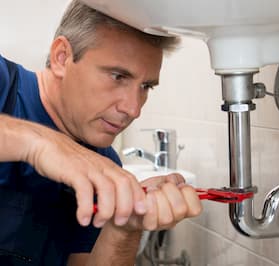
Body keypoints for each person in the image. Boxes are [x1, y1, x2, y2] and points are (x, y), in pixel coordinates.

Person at [0, 0, 202, 265]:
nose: (133, 108)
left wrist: (126, 226)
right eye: (118, 76)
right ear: (62, 57)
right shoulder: (5, 84)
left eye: (146, 86)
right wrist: (40, 143)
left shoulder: (104, 169)